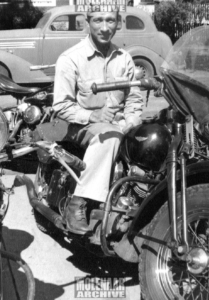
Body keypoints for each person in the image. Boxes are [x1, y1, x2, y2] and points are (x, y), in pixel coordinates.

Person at [35, 6, 143, 234]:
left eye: (110, 21)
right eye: (98, 20)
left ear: (119, 23)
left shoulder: (125, 59)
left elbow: (134, 98)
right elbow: (61, 106)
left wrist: (132, 119)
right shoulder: (71, 58)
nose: (105, 27)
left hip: (118, 123)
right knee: (111, 136)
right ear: (88, 22)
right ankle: (79, 201)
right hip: (78, 125)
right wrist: (93, 115)